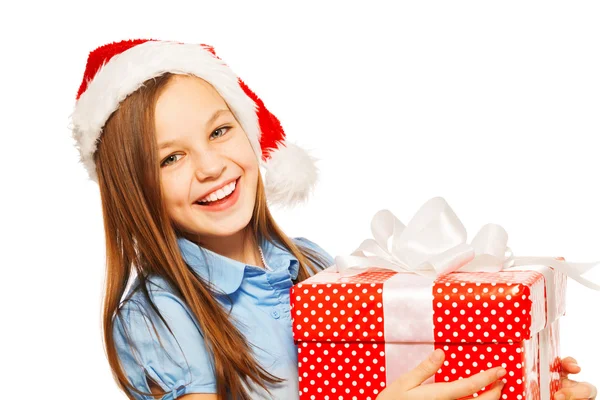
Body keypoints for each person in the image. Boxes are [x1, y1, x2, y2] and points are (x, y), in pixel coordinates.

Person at [69, 39, 597, 400]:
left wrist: (526, 377)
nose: (211, 167)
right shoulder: (161, 318)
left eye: (219, 132)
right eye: (171, 158)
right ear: (134, 190)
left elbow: (394, 372)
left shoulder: (313, 265)